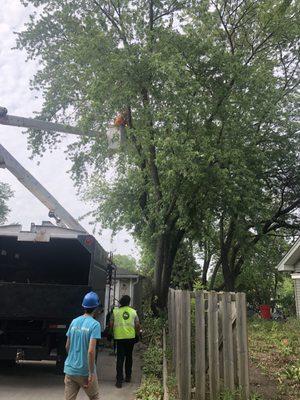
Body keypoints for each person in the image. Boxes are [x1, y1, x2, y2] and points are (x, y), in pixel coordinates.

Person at [64, 291, 101, 400]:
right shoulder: (95, 324)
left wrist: (72, 359)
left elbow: (67, 346)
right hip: (85, 371)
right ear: (96, 308)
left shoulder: (74, 321)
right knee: (94, 397)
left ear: (84, 307)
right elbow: (90, 351)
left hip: (70, 369)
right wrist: (91, 373)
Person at [110, 295, 141, 388]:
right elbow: (137, 325)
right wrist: (137, 334)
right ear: (129, 302)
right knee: (129, 357)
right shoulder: (133, 312)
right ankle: (128, 376)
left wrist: (111, 333)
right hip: (130, 338)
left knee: (120, 358)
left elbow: (111, 324)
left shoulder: (115, 312)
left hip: (119, 338)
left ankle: (119, 381)